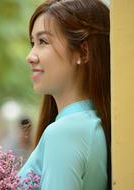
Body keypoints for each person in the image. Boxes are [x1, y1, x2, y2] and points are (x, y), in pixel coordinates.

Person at [18, 0, 111, 190]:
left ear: (83, 52)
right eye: (32, 43)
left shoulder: (64, 132)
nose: (30, 56)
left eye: (43, 41)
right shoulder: (92, 124)